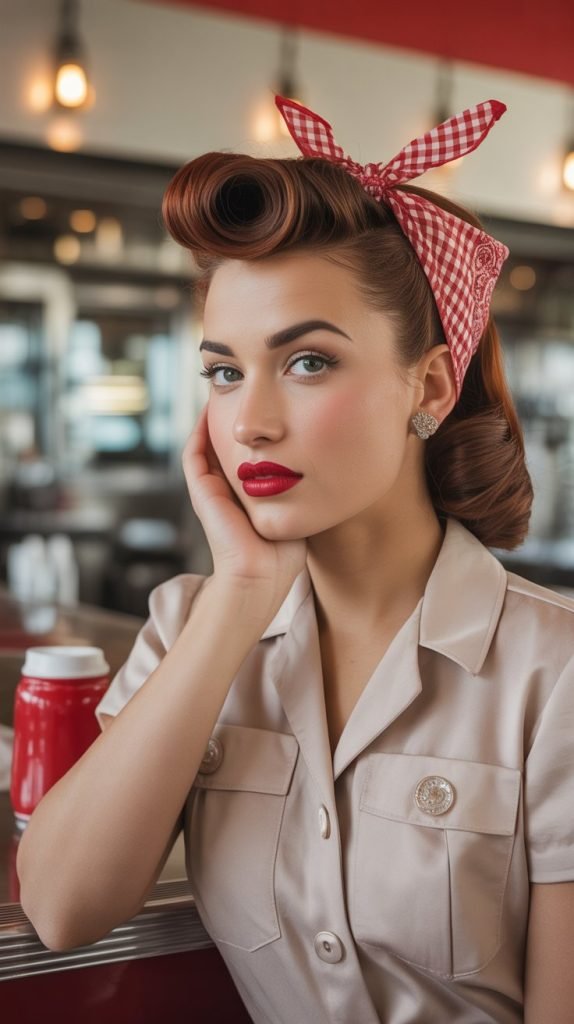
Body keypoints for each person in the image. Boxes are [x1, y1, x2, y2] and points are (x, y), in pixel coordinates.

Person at [16, 96, 574, 1024]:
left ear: (430, 384)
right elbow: (62, 907)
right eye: (225, 372)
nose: (250, 422)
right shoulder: (189, 626)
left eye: (308, 361)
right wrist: (237, 596)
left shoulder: (555, 674)